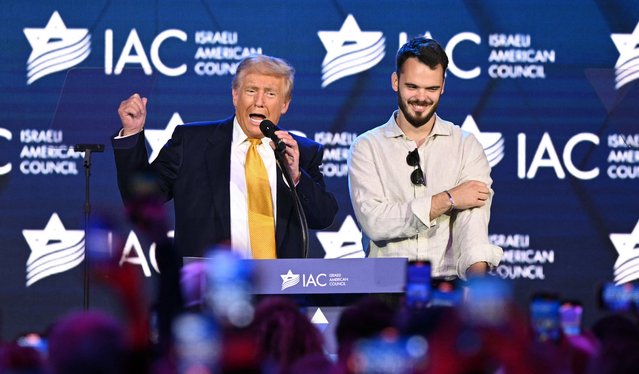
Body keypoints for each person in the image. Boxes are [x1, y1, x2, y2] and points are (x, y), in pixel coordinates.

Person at [113, 54, 338, 260]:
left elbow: (323, 217)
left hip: (279, 290)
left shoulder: (301, 152)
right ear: (235, 95)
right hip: (208, 290)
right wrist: (132, 134)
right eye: (251, 91)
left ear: (285, 104)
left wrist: (297, 177)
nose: (259, 101)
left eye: (270, 93)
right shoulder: (192, 143)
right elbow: (142, 198)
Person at [348, 37, 502, 280]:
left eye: (431, 88)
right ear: (395, 82)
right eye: (412, 87)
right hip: (384, 286)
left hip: (447, 287)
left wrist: (478, 290)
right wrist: (448, 199)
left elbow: (473, 225)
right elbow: (375, 222)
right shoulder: (367, 147)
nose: (422, 98)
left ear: (443, 86)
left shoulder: (465, 145)